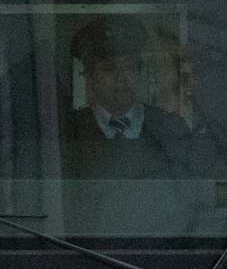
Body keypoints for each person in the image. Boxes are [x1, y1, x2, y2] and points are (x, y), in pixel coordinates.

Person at [61, 15, 192, 175]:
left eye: (128, 67)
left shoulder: (171, 128)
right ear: (89, 76)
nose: (120, 78)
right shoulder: (67, 130)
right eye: (108, 69)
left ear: (139, 72)